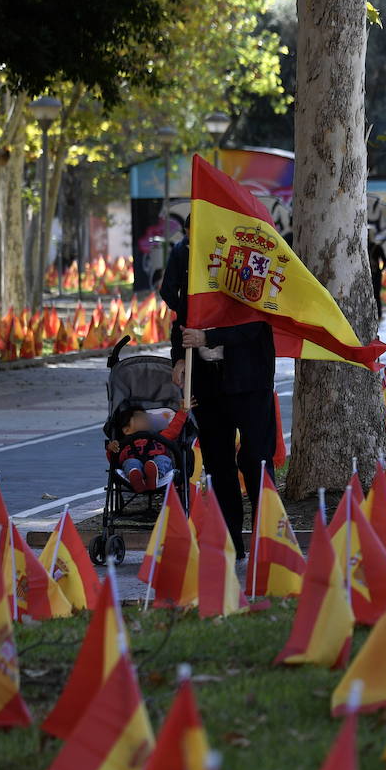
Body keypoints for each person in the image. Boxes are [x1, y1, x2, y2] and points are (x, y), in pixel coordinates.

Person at [161, 220, 276, 559]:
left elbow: (259, 321)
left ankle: (267, 540)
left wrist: (211, 337)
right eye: (189, 237)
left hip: (249, 379)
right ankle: (230, 543)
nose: (192, 244)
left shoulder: (252, 259)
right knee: (217, 463)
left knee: (255, 458)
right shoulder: (186, 258)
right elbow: (179, 316)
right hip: (206, 380)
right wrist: (179, 357)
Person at [106, 402, 188, 492]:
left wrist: (182, 412)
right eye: (140, 419)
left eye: (146, 419)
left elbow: (174, 429)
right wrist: (111, 449)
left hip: (157, 468)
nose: (145, 421)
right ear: (126, 430)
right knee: (130, 462)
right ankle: (137, 479)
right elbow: (114, 460)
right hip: (136, 470)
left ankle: (154, 476)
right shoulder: (123, 444)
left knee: (162, 459)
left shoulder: (160, 436)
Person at [367, 229, 386, 320]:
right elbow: (385, 261)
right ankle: (378, 314)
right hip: (376, 274)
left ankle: (368, 315)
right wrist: (380, 270)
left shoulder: (362, 246)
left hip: (366, 275)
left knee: (367, 295)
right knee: (376, 295)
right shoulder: (377, 247)